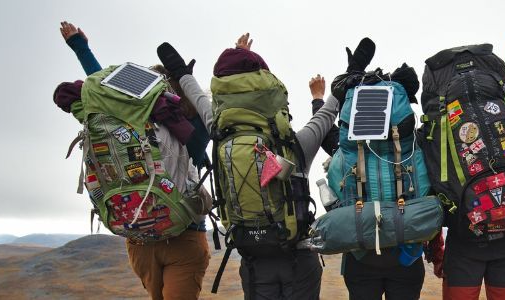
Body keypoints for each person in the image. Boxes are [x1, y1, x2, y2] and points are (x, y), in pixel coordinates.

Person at [160, 33, 338, 300]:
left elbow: (197, 98)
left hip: (253, 259)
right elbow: (326, 116)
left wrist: (181, 73)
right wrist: (347, 77)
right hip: (298, 258)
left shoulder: (219, 131)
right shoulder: (296, 143)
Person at [57, 21, 212, 300]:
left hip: (138, 238)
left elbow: (102, 90)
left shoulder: (129, 126)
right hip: (185, 236)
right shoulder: (193, 132)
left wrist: (81, 49)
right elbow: (208, 109)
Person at [427, 29, 505, 300]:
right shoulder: (502, 109)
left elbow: (432, 189)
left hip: (464, 242)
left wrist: (437, 252)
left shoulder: (440, 127)